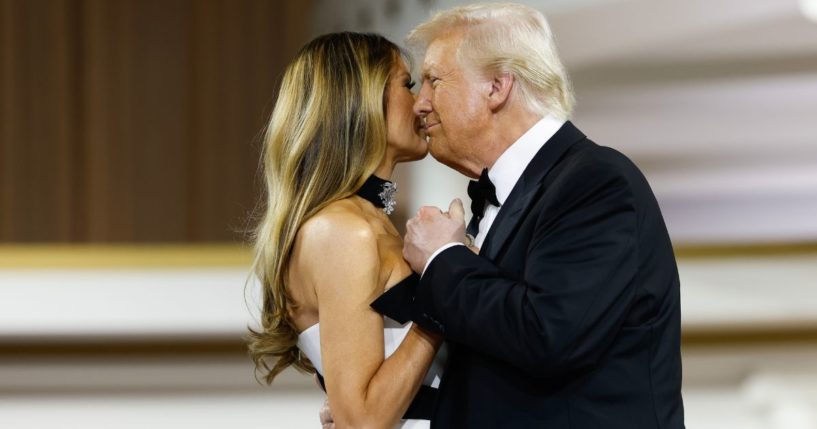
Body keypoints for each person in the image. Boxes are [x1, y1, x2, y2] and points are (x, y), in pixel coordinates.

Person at [344, 3, 684, 428]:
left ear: (497, 87)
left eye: (432, 80)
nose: (419, 104)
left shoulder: (596, 182)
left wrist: (443, 259)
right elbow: (495, 371)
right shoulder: (514, 199)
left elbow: (548, 334)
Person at [247, 32, 446, 429]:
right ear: (361, 99)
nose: (424, 101)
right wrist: (444, 301)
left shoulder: (366, 223)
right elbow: (362, 421)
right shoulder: (341, 231)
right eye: (407, 84)